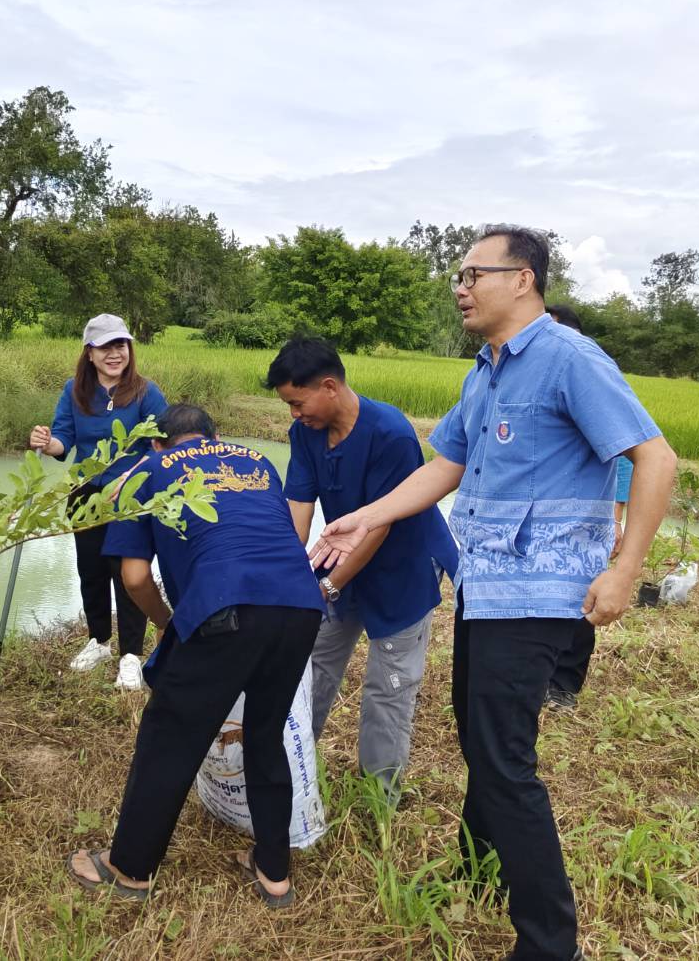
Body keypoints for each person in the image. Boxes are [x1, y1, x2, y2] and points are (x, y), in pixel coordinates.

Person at [314, 226, 677, 961]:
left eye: (473, 272)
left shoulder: (567, 358)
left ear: (523, 279)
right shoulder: (483, 372)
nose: (460, 286)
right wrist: (365, 515)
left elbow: (654, 456)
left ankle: (550, 944)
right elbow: (444, 464)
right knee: (483, 741)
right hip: (484, 587)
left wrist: (625, 569)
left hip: (540, 595)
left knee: (504, 759)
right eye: (458, 273)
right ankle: (478, 872)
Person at [66, 404, 324, 906]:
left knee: (170, 735)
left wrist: (167, 625)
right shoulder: (255, 461)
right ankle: (274, 873)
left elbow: (136, 578)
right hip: (299, 604)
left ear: (158, 443)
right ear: (213, 436)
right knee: (265, 733)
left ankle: (129, 869)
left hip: (227, 608)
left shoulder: (147, 471)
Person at [263, 336, 458, 792]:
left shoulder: (389, 432)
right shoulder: (306, 432)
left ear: (329, 386)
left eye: (298, 402)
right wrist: (293, 580)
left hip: (401, 568)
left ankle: (379, 795)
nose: (294, 414)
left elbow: (379, 526)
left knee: (387, 688)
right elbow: (298, 506)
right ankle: (288, 771)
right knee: (309, 664)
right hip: (339, 560)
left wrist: (328, 588)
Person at [29, 313, 167, 687]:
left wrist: (131, 475)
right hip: (85, 494)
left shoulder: (146, 392)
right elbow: (63, 441)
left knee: (128, 576)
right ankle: (99, 640)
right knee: (90, 571)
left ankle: (131, 656)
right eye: (105, 346)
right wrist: (46, 442)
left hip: (130, 497)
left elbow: (161, 445)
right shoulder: (74, 390)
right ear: (89, 353)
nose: (114, 353)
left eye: (120, 344)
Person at [542, 304, 630, 709]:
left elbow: (629, 454)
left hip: (584, 520)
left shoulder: (591, 376)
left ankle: (564, 685)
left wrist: (616, 518)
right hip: (544, 520)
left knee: (580, 602)